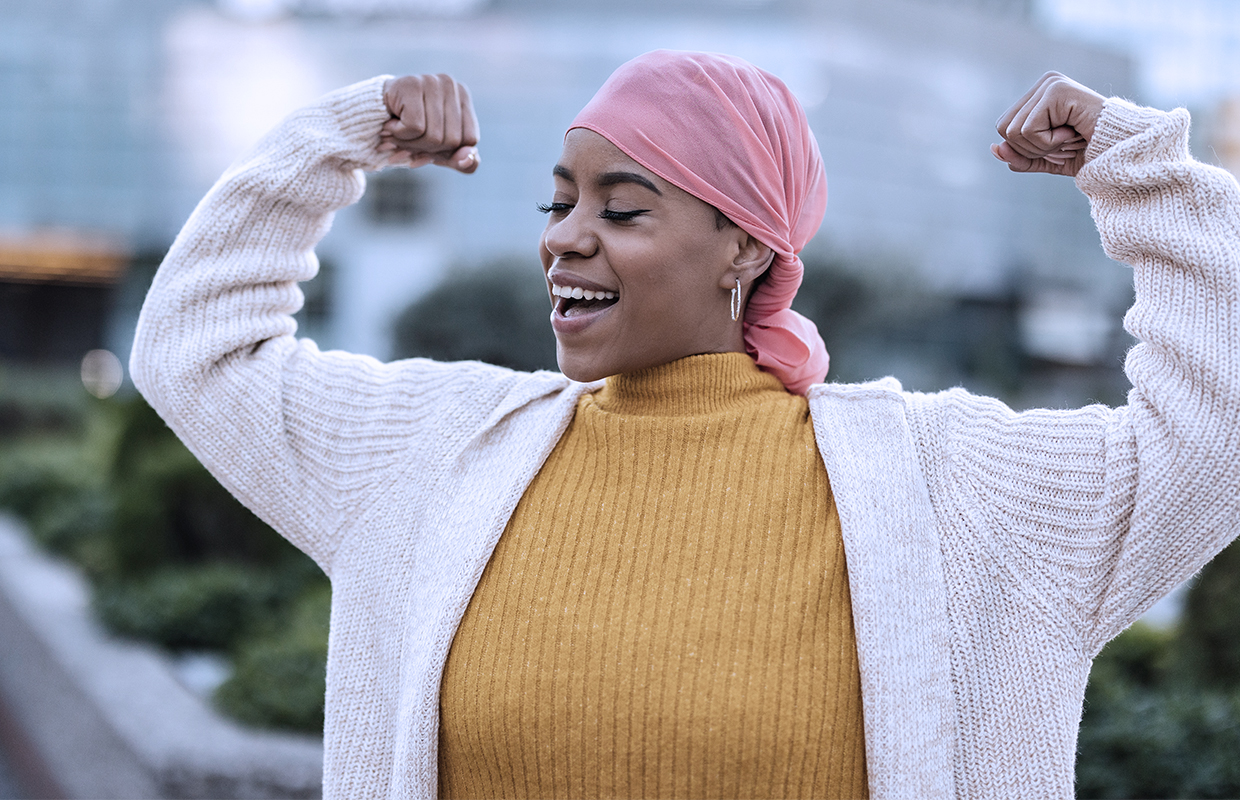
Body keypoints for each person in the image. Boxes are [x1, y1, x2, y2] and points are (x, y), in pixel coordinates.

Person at [130, 50, 1240, 800]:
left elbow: (1215, 424)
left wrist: (1140, 172)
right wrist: (336, 140)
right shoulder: (433, 452)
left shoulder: (955, 488)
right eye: (556, 201)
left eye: (621, 208)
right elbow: (199, 348)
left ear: (745, 247)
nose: (564, 236)